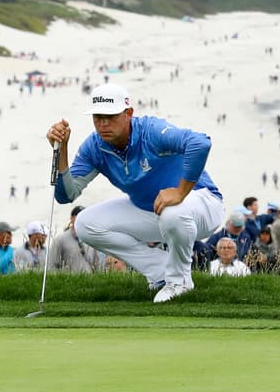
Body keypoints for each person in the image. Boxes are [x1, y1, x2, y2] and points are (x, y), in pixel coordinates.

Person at [48, 82, 225, 303]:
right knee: (85, 224)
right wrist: (61, 150)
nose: (103, 124)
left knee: (173, 212)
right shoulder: (94, 147)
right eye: (98, 117)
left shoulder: (151, 131)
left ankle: (179, 282)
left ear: (128, 113)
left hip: (203, 204)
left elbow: (200, 143)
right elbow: (66, 195)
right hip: (154, 211)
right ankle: (161, 272)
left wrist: (181, 192)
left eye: (110, 116)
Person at [48, 205, 101, 273]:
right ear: (72, 218)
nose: (82, 219)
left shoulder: (92, 240)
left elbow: (97, 265)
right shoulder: (60, 239)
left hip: (89, 279)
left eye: (84, 217)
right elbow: (52, 265)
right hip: (68, 279)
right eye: (79, 216)